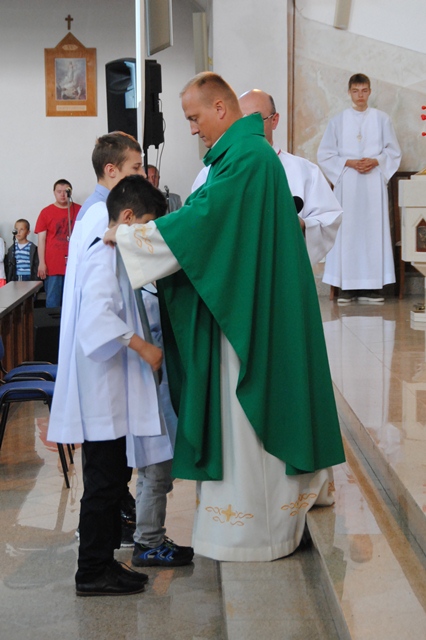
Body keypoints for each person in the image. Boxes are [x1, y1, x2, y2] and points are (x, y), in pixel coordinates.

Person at [105, 72, 346, 563]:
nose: (192, 128)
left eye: (194, 117)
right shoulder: (236, 157)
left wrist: (132, 237)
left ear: (220, 108)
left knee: (248, 421)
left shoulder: (248, 158)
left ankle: (256, 531)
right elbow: (207, 220)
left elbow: (204, 223)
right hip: (245, 303)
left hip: (250, 313)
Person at [47, 175, 172, 596]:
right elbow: (97, 319)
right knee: (103, 484)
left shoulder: (115, 249)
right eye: (147, 225)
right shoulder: (102, 255)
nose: (148, 233)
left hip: (112, 389)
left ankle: (104, 562)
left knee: (114, 478)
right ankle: (91, 571)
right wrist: (144, 348)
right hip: (102, 391)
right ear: (129, 217)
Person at [59, 132, 146, 546]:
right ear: (111, 170)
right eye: (135, 168)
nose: (142, 175)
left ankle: (106, 550)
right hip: (102, 359)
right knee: (104, 470)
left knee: (109, 468)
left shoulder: (96, 211)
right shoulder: (101, 217)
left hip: (104, 356)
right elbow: (100, 299)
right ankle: (96, 560)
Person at [192, 89, 343, 266]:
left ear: (274, 120)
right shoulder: (212, 172)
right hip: (235, 268)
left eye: (256, 119)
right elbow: (197, 224)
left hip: (284, 266)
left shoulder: (305, 171)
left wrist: (301, 225)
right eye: (241, 120)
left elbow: (329, 219)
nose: (248, 126)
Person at [317, 73, 402, 303]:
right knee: (348, 232)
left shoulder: (382, 119)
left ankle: (372, 288)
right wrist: (349, 162)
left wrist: (376, 161)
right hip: (348, 184)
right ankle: (347, 288)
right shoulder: (338, 121)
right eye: (355, 91)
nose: (360, 95)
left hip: (373, 183)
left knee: (373, 232)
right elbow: (325, 154)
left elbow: (393, 152)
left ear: (370, 92)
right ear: (349, 93)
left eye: (364, 91)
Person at [35, 179, 81, 307]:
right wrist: (42, 263)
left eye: (66, 191)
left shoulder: (79, 210)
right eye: (59, 191)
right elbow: (41, 239)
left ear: (70, 192)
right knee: (53, 302)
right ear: (54, 192)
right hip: (53, 265)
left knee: (74, 302)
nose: (62, 194)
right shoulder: (46, 212)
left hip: (75, 264)